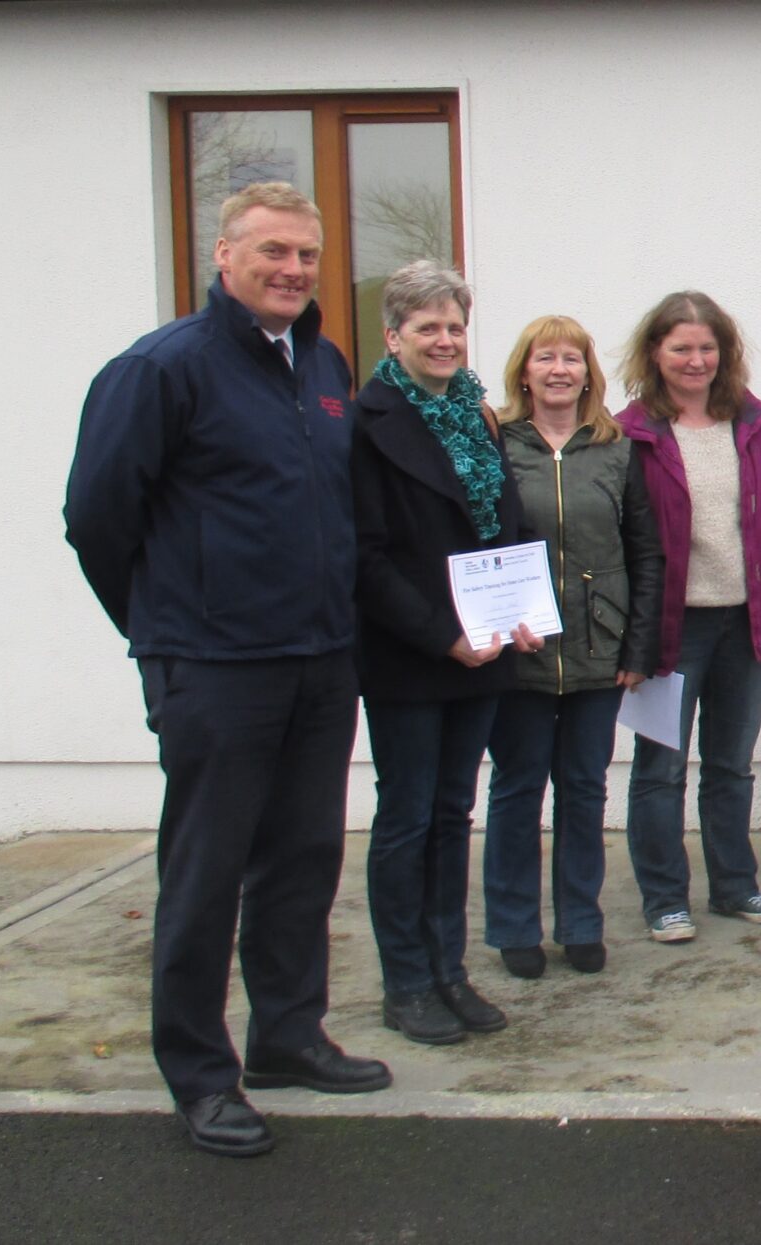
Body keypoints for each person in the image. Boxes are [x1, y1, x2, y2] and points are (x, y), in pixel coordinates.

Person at [66, 182, 387, 1156]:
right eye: (273, 253)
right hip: (215, 668)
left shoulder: (325, 363)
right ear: (224, 255)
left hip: (321, 660)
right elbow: (97, 518)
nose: (291, 270)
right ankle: (200, 1071)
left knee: (302, 863)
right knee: (206, 875)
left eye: (305, 256)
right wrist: (167, 625)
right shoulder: (162, 369)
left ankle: (287, 1037)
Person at [348, 261, 544, 1045]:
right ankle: (406, 982)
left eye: (455, 326)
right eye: (427, 327)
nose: (444, 339)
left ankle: (449, 970)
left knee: (451, 816)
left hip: (487, 649)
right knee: (406, 819)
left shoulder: (479, 416)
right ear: (394, 336)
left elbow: (505, 525)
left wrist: (527, 612)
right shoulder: (367, 422)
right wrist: (441, 634)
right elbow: (365, 555)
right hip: (413, 654)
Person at [616, 292, 761, 942]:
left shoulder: (753, 422)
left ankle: (735, 886)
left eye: (706, 347)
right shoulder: (632, 431)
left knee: (731, 762)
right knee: (661, 767)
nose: (696, 360)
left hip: (744, 621)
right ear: (655, 354)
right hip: (672, 628)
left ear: (723, 353)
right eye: (681, 348)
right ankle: (665, 898)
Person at [483, 316, 664, 978]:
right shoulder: (497, 445)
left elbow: (644, 551)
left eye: (573, 358)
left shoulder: (616, 450)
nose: (559, 370)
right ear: (523, 371)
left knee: (584, 788)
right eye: (545, 358)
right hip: (521, 648)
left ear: (589, 372)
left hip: (597, 646)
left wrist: (636, 646)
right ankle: (512, 925)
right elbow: (478, 542)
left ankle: (581, 920)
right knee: (517, 788)